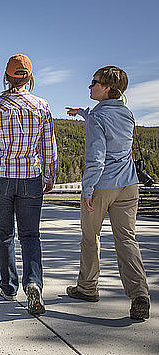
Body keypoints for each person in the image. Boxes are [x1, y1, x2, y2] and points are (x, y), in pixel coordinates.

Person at [0, 54, 57, 315]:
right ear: (29, 77)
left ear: (6, 76)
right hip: (30, 177)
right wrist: (49, 175)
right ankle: (33, 283)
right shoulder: (42, 106)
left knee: (4, 235)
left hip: (1, 177)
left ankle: (9, 287)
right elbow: (48, 147)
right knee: (31, 235)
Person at [66, 66, 150, 320]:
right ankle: (139, 295)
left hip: (102, 186)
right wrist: (80, 112)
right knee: (126, 239)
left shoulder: (97, 118)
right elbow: (100, 114)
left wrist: (88, 189)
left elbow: (96, 158)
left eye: (94, 83)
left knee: (90, 238)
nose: (90, 87)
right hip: (129, 185)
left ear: (107, 88)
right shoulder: (126, 113)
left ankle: (87, 288)